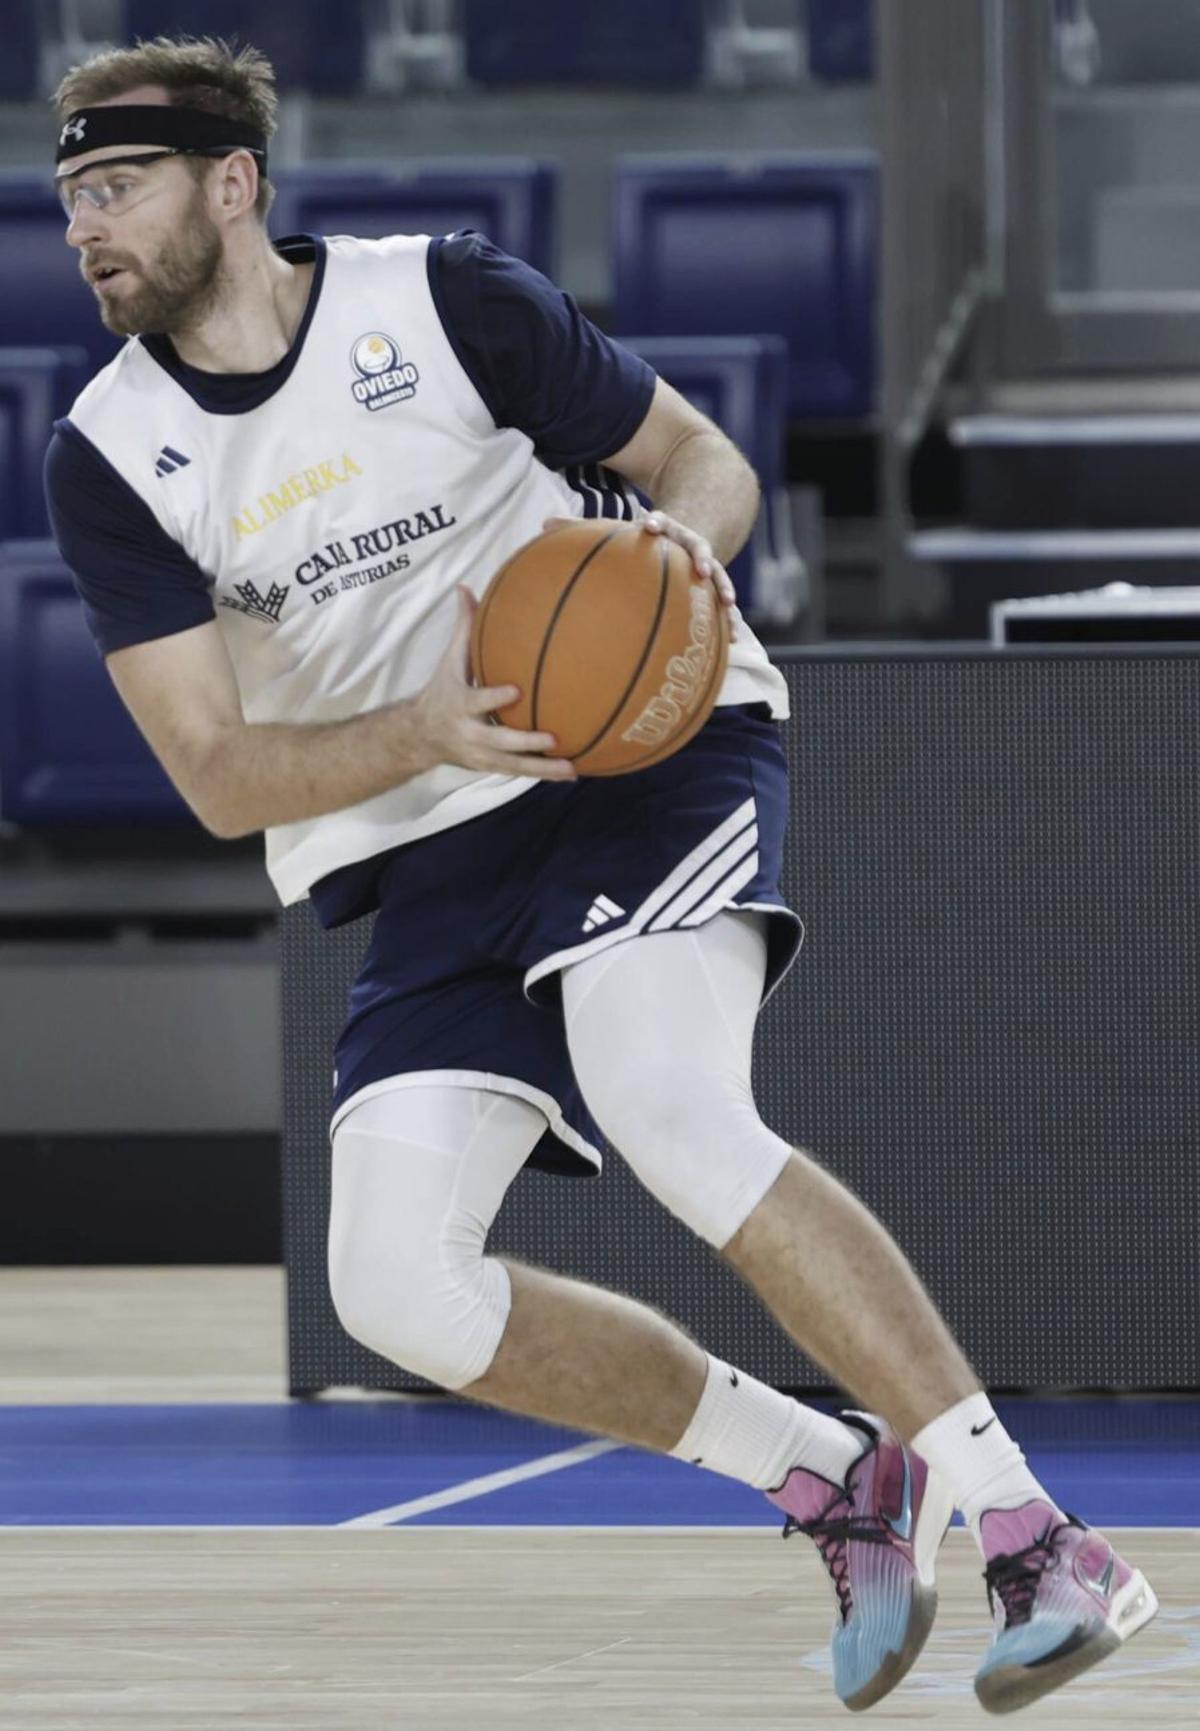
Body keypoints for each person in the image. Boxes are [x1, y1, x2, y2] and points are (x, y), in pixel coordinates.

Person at [43, 36, 1156, 1716]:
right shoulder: (111, 454)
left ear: (233, 183)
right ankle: (834, 1477)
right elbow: (213, 773)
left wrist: (666, 571)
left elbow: (703, 464)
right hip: (427, 832)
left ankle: (1037, 1536)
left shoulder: (443, 302)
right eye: (71, 197)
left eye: (119, 188)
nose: (84, 227)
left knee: (671, 1105)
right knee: (393, 1290)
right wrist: (425, 728)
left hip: (642, 759)